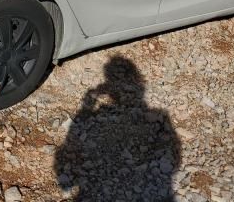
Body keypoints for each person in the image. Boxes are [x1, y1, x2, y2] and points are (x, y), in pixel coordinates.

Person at [54, 55, 181, 201]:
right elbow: (174, 160)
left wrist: (87, 104)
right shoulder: (160, 116)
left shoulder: (157, 117)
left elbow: (66, 180)